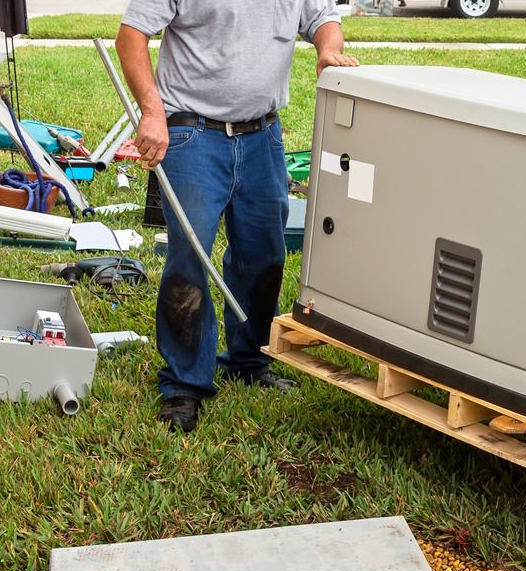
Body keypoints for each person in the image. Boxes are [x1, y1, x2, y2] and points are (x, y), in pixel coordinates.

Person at [115, 0, 359, 433]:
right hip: (193, 133)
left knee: (263, 255)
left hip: (263, 134)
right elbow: (131, 36)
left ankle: (248, 360)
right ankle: (184, 383)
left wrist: (327, 49)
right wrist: (154, 113)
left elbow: (323, 19)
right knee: (190, 262)